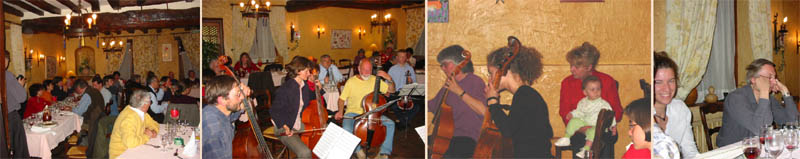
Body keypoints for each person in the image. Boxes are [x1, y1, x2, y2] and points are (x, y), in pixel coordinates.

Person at [484, 41, 552, 158]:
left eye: (491, 73)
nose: (490, 79)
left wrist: (492, 100)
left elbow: (508, 130)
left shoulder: (525, 95)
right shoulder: (524, 94)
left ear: (504, 70)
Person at [717, 59, 798, 147]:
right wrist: (764, 91)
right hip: (732, 151)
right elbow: (760, 130)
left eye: (775, 78)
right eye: (770, 77)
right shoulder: (736, 98)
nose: (774, 82)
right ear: (753, 79)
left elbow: (792, 123)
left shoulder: (768, 99)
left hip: (756, 147)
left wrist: (785, 92)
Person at [559, 42, 620, 157]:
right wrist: (580, 127)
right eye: (571, 65)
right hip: (579, 127)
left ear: (589, 67)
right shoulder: (567, 83)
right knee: (579, 138)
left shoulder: (607, 81)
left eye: (576, 67)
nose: (571, 69)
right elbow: (564, 111)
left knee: (603, 138)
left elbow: (617, 111)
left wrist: (600, 127)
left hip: (603, 127)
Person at [426, 45, 486, 158]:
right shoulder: (448, 85)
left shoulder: (475, 81)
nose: (442, 68)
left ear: (458, 64)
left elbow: (483, 110)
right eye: (441, 65)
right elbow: (433, 105)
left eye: (445, 65)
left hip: (467, 139)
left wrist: (458, 91)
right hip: (446, 137)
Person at [335, 58, 396, 159]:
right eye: (364, 69)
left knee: (390, 124)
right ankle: (358, 151)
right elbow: (341, 99)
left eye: (370, 70)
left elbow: (392, 90)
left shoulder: (375, 79)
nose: (367, 72)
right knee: (347, 129)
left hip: (372, 114)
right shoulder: (351, 81)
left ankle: (384, 152)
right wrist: (340, 111)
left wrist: (389, 78)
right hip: (353, 113)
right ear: (359, 69)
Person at [652, 52, 698, 157]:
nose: (667, 89)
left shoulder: (680, 109)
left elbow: (690, 153)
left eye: (671, 81)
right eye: (658, 82)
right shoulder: (641, 115)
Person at [555, 76, 616, 156]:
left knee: (593, 132)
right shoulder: (582, 102)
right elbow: (579, 112)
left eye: (598, 89)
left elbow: (610, 115)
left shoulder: (603, 104)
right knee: (574, 121)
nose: (596, 92)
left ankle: (585, 149)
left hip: (598, 127)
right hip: (585, 122)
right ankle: (567, 137)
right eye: (592, 90)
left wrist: (613, 126)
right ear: (585, 92)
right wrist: (572, 114)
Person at [270, 56, 315, 158]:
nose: (309, 74)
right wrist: (285, 127)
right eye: (307, 71)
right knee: (305, 152)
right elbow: (274, 111)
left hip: (297, 122)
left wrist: (315, 87)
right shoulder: (286, 88)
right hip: (283, 126)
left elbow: (310, 100)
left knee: (320, 134)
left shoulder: (304, 85)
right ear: (298, 71)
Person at [202, 75, 250, 158]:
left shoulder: (214, 110)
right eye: (238, 94)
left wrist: (243, 99)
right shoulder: (215, 129)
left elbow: (231, 116)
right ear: (222, 100)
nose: (242, 97)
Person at [108, 90, 159, 159]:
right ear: (144, 105)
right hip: (121, 154)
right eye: (150, 102)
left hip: (134, 150)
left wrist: (153, 131)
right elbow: (130, 143)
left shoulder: (141, 112)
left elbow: (154, 124)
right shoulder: (129, 118)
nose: (150, 104)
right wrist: (147, 136)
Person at [4, 50, 28, 158]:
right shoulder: (7, 75)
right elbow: (22, 98)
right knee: (19, 150)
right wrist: (20, 85)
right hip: (10, 117)